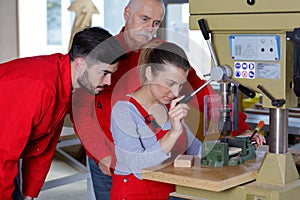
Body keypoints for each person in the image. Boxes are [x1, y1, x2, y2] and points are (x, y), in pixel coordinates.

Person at [76, 0, 266, 199]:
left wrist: (239, 128)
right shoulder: (103, 52)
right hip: (108, 157)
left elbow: (203, 93)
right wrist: (100, 152)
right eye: (144, 19)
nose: (149, 28)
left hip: (158, 157)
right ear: (126, 13)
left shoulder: (165, 54)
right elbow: (81, 110)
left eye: (156, 23)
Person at [0, 27, 126, 200]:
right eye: (104, 73)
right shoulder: (39, 87)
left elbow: (43, 146)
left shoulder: (66, 84)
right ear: (81, 64)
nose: (108, 81)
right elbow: (3, 155)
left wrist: (29, 194)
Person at [110, 41, 202, 200]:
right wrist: (173, 133)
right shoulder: (124, 111)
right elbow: (138, 165)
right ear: (149, 73)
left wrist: (230, 150)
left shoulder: (168, 108)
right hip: (134, 194)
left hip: (168, 193)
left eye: (180, 86)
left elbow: (195, 149)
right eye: (170, 83)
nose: (175, 92)